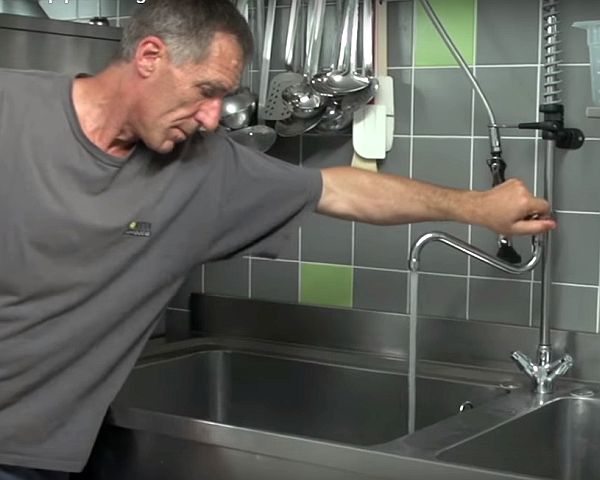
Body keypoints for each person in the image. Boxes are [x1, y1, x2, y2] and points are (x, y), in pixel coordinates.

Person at [0, 0, 555, 478]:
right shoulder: (13, 112)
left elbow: (343, 190)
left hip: (48, 453)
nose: (213, 118)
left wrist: (477, 207)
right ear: (150, 57)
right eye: (206, 91)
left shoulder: (205, 167)